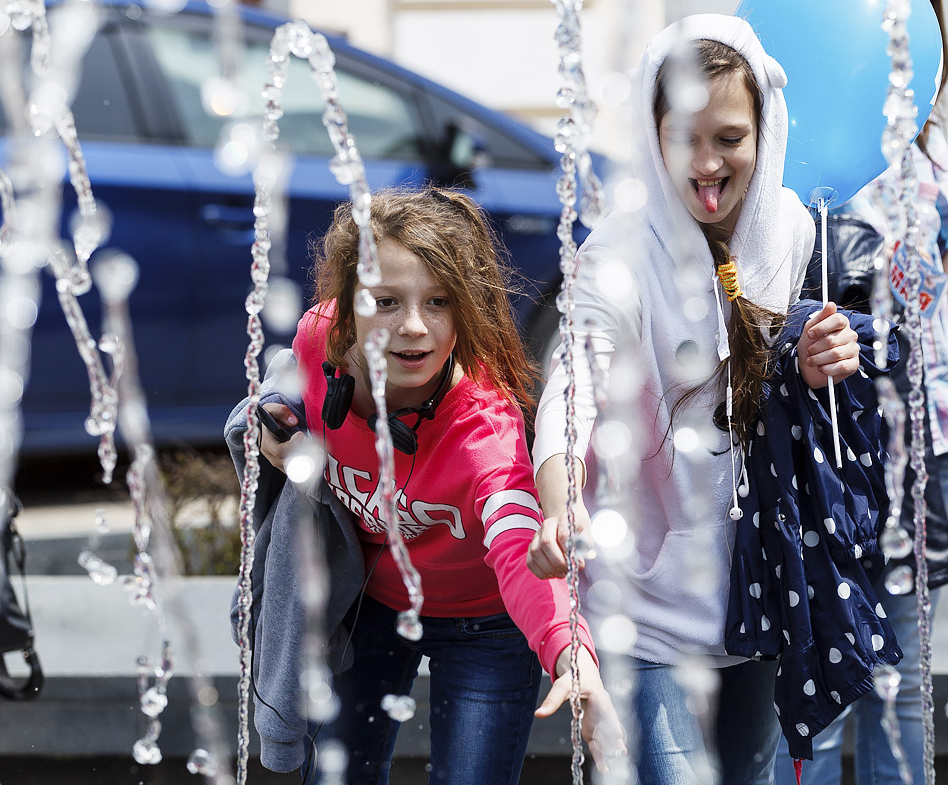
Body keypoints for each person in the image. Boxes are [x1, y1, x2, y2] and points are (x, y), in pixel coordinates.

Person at [526, 14, 861, 785]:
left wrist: (818, 359)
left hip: (761, 593)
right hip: (649, 609)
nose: (707, 163)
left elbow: (782, 383)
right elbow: (570, 384)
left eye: (730, 138)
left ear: (765, 130)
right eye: (685, 139)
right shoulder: (616, 253)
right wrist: (557, 501)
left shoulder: (794, 233)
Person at [246, 187, 624, 785]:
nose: (414, 327)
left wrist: (569, 653)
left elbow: (520, 543)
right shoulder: (318, 341)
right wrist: (271, 427)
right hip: (372, 602)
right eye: (386, 301)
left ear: (467, 309)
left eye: (440, 302)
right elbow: (283, 393)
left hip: (489, 628)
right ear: (346, 309)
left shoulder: (484, 429)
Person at [775, 2, 948, 784]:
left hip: (923, 424)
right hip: (823, 432)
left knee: (900, 670)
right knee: (819, 651)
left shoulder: (919, 132)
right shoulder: (780, 120)